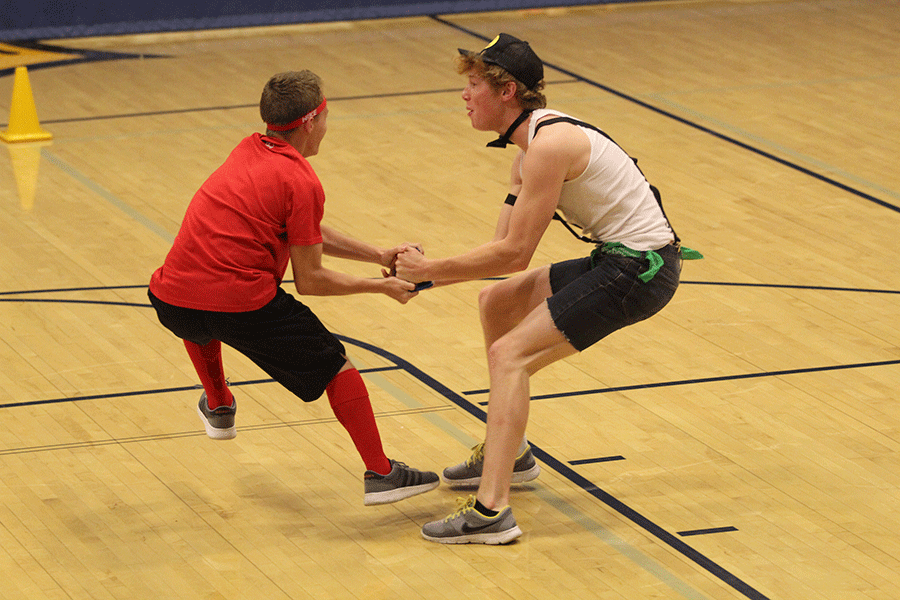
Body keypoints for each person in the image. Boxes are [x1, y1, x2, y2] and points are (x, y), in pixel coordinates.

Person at [396, 34, 700, 543]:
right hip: (621, 258)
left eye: (473, 85)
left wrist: (429, 269)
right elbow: (500, 254)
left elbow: (515, 254)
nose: (465, 95)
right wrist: (431, 272)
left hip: (639, 271)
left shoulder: (548, 147)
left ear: (507, 90)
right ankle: (511, 456)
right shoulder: (528, 151)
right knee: (498, 300)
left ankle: (492, 513)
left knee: (510, 356)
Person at [148, 70, 439, 507]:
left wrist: (378, 255)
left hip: (171, 299)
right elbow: (311, 280)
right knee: (337, 366)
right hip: (242, 304)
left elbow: (301, 228)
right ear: (310, 120)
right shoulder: (300, 179)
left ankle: (219, 402)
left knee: (201, 316)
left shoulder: (249, 150)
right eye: (326, 114)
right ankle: (382, 473)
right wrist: (382, 288)